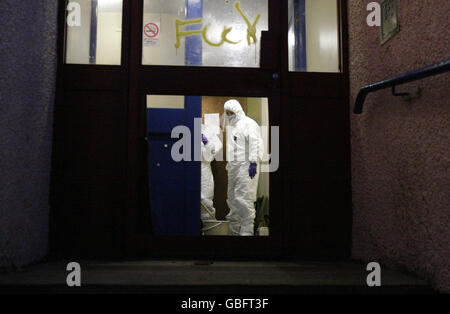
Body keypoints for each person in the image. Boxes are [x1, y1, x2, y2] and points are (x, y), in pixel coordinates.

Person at [223, 99, 264, 236]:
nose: (229, 115)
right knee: (232, 199)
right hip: (234, 168)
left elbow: (255, 143)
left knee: (243, 198)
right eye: (227, 113)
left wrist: (253, 162)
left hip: (246, 166)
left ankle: (246, 233)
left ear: (238, 111)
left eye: (231, 112)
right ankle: (234, 233)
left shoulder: (249, 124)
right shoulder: (232, 126)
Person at [201, 124, 223, 222]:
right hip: (186, 167)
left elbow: (216, 148)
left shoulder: (208, 130)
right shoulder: (185, 127)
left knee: (205, 199)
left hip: (203, 167)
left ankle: (207, 226)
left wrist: (207, 142)